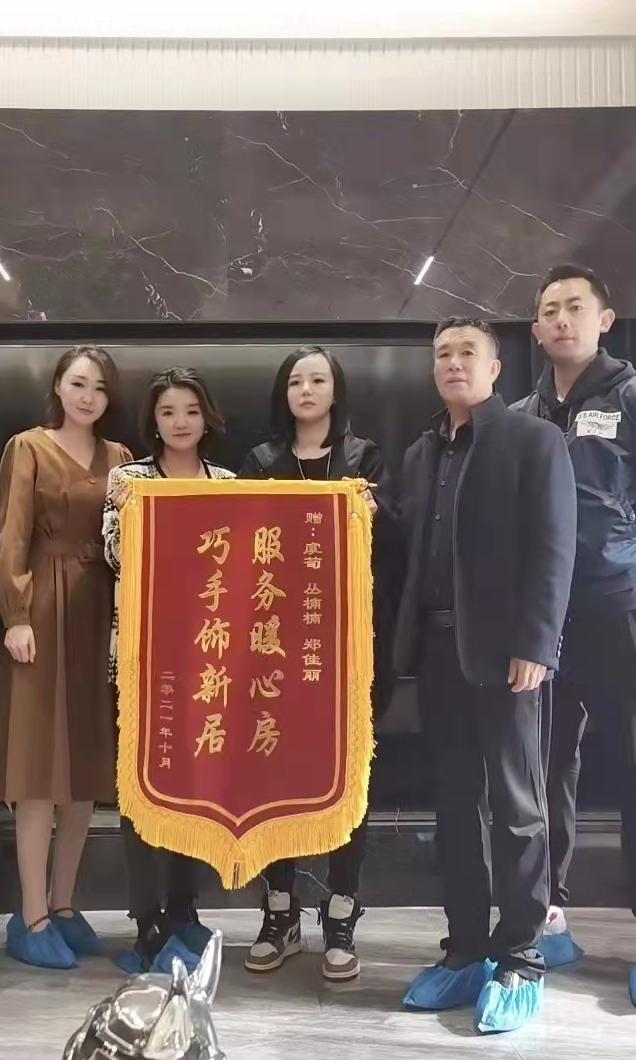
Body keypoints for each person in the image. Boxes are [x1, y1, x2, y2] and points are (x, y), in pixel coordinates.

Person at [514, 264, 636, 1012]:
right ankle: (548, 911)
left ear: (604, 319)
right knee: (542, 769)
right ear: (536, 330)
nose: (561, 319)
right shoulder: (521, 415)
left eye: (576, 307)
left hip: (622, 609)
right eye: (549, 310)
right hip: (543, 620)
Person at [393, 317, 576, 1034]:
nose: (453, 363)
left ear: (496, 368)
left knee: (518, 805)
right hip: (438, 652)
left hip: (508, 657)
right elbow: (406, 543)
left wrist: (537, 643)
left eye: (468, 352)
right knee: (453, 805)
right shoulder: (419, 454)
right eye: (442, 354)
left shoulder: (534, 440)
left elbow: (554, 547)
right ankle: (465, 948)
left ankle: (522, 956)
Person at [237, 345, 402, 982]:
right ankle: (280, 910)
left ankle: (341, 909)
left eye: (318, 380)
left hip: (350, 647)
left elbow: (394, 545)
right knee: (272, 772)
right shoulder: (260, 462)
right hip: (274, 646)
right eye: (296, 381)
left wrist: (372, 514)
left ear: (336, 391)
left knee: (347, 776)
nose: (306, 390)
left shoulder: (367, 459)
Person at [0, 345, 132, 969]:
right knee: (39, 767)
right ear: (57, 387)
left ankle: (65, 905)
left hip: (102, 613)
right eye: (78, 383)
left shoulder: (122, 459)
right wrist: (16, 615)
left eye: (99, 387)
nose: (88, 396)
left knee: (85, 769)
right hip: (43, 610)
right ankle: (31, 914)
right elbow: (12, 535)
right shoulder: (28, 447)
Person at [102, 367, 236, 974]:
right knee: (141, 789)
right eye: (167, 412)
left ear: (206, 418)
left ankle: (184, 908)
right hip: (141, 658)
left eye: (190, 411)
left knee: (195, 787)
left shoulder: (228, 484)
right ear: (152, 422)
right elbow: (114, 556)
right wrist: (132, 516)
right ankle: (146, 917)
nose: (180, 422)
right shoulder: (129, 479)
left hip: (209, 659)